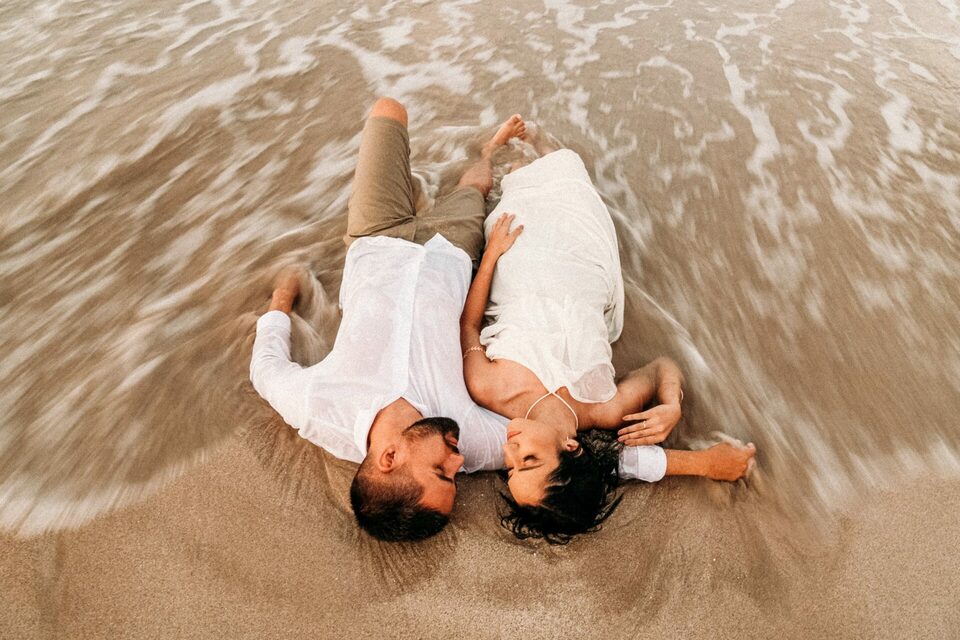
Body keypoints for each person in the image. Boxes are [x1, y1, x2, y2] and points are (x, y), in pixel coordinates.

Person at [250, 97, 526, 542]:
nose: (458, 464)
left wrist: (284, 294)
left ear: (389, 457)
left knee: (387, 109)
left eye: (440, 471)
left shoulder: (318, 408)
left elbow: (265, 372)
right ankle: (488, 151)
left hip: (376, 236)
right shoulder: (465, 437)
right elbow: (551, 439)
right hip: (451, 252)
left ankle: (424, 179)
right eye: (454, 478)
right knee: (473, 191)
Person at [460, 131, 757, 544]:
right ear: (571, 446)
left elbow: (469, 326)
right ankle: (542, 142)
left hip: (517, 252)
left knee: (512, 180)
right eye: (527, 460)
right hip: (582, 254)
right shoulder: (605, 410)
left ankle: (488, 150)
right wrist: (671, 403)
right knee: (566, 166)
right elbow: (660, 368)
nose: (509, 453)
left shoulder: (490, 388)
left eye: (511, 469)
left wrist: (491, 254)